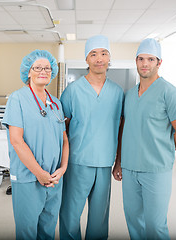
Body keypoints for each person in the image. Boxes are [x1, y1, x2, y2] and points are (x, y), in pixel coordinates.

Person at [112, 38, 176, 239]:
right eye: (141, 59)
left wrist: (160, 150)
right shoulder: (129, 95)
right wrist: (119, 161)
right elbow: (124, 129)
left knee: (155, 226)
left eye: (150, 59)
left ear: (159, 63)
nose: (145, 63)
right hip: (129, 169)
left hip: (155, 170)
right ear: (136, 61)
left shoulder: (171, 94)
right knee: (133, 221)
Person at [59, 35, 124, 239]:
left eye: (104, 54)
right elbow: (62, 128)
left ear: (109, 58)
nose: (99, 58)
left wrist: (119, 161)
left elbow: (121, 127)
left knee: (99, 218)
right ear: (86, 59)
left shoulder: (117, 92)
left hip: (105, 162)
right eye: (93, 54)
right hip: (77, 161)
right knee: (70, 213)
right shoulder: (72, 91)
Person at [2, 49, 69, 240]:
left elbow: (64, 140)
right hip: (28, 177)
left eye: (47, 68)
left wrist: (63, 168)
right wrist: (40, 173)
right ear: (28, 72)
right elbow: (16, 140)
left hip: (55, 177)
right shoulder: (18, 99)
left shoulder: (56, 103)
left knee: (48, 229)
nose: (43, 71)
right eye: (38, 67)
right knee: (27, 232)